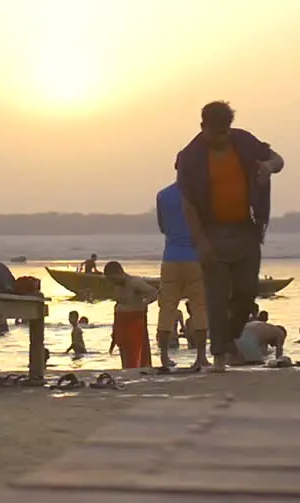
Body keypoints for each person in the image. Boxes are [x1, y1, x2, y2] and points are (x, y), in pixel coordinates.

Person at [176, 101, 284, 372]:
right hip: (212, 231)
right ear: (203, 127)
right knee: (216, 295)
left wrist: (268, 167)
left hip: (246, 227)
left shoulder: (244, 141)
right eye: (216, 132)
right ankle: (219, 356)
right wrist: (200, 241)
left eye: (226, 131)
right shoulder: (190, 157)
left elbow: (278, 160)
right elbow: (188, 204)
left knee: (248, 292)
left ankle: (231, 335)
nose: (222, 137)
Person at [155, 160, 209, 369]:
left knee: (167, 307)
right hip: (195, 257)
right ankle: (201, 356)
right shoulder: (201, 196)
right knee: (199, 308)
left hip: (170, 257)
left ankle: (164, 356)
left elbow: (162, 227)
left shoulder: (163, 195)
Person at [104, 261, 157, 369]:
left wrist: (145, 303)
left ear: (120, 272)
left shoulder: (135, 282)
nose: (112, 282)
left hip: (135, 322)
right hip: (121, 324)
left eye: (113, 278)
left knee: (138, 356)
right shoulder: (118, 286)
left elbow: (154, 292)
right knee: (125, 355)